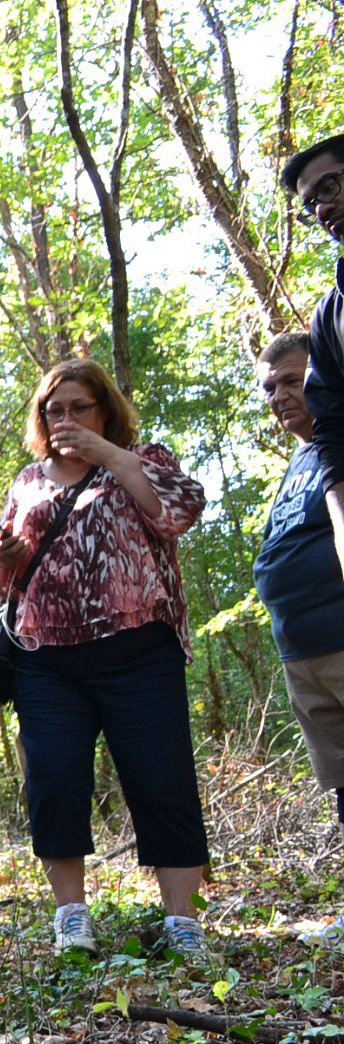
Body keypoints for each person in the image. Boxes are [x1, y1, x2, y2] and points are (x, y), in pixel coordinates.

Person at [0, 359, 211, 956]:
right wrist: (0, 557)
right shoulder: (28, 482)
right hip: (47, 661)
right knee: (54, 783)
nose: (65, 419)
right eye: (54, 410)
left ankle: (181, 921)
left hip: (139, 653)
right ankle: (72, 918)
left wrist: (111, 455)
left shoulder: (143, 460)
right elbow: (1, 585)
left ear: (104, 410)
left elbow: (180, 513)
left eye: (79, 407)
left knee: (162, 781)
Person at [253, 331, 344, 823]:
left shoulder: (340, 437)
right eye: (269, 388)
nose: (279, 397)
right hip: (302, 655)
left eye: (291, 380)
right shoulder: (301, 457)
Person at [279, 133, 344, 583]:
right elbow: (334, 432)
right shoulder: (329, 318)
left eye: (329, 188)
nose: (320, 210)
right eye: (310, 203)